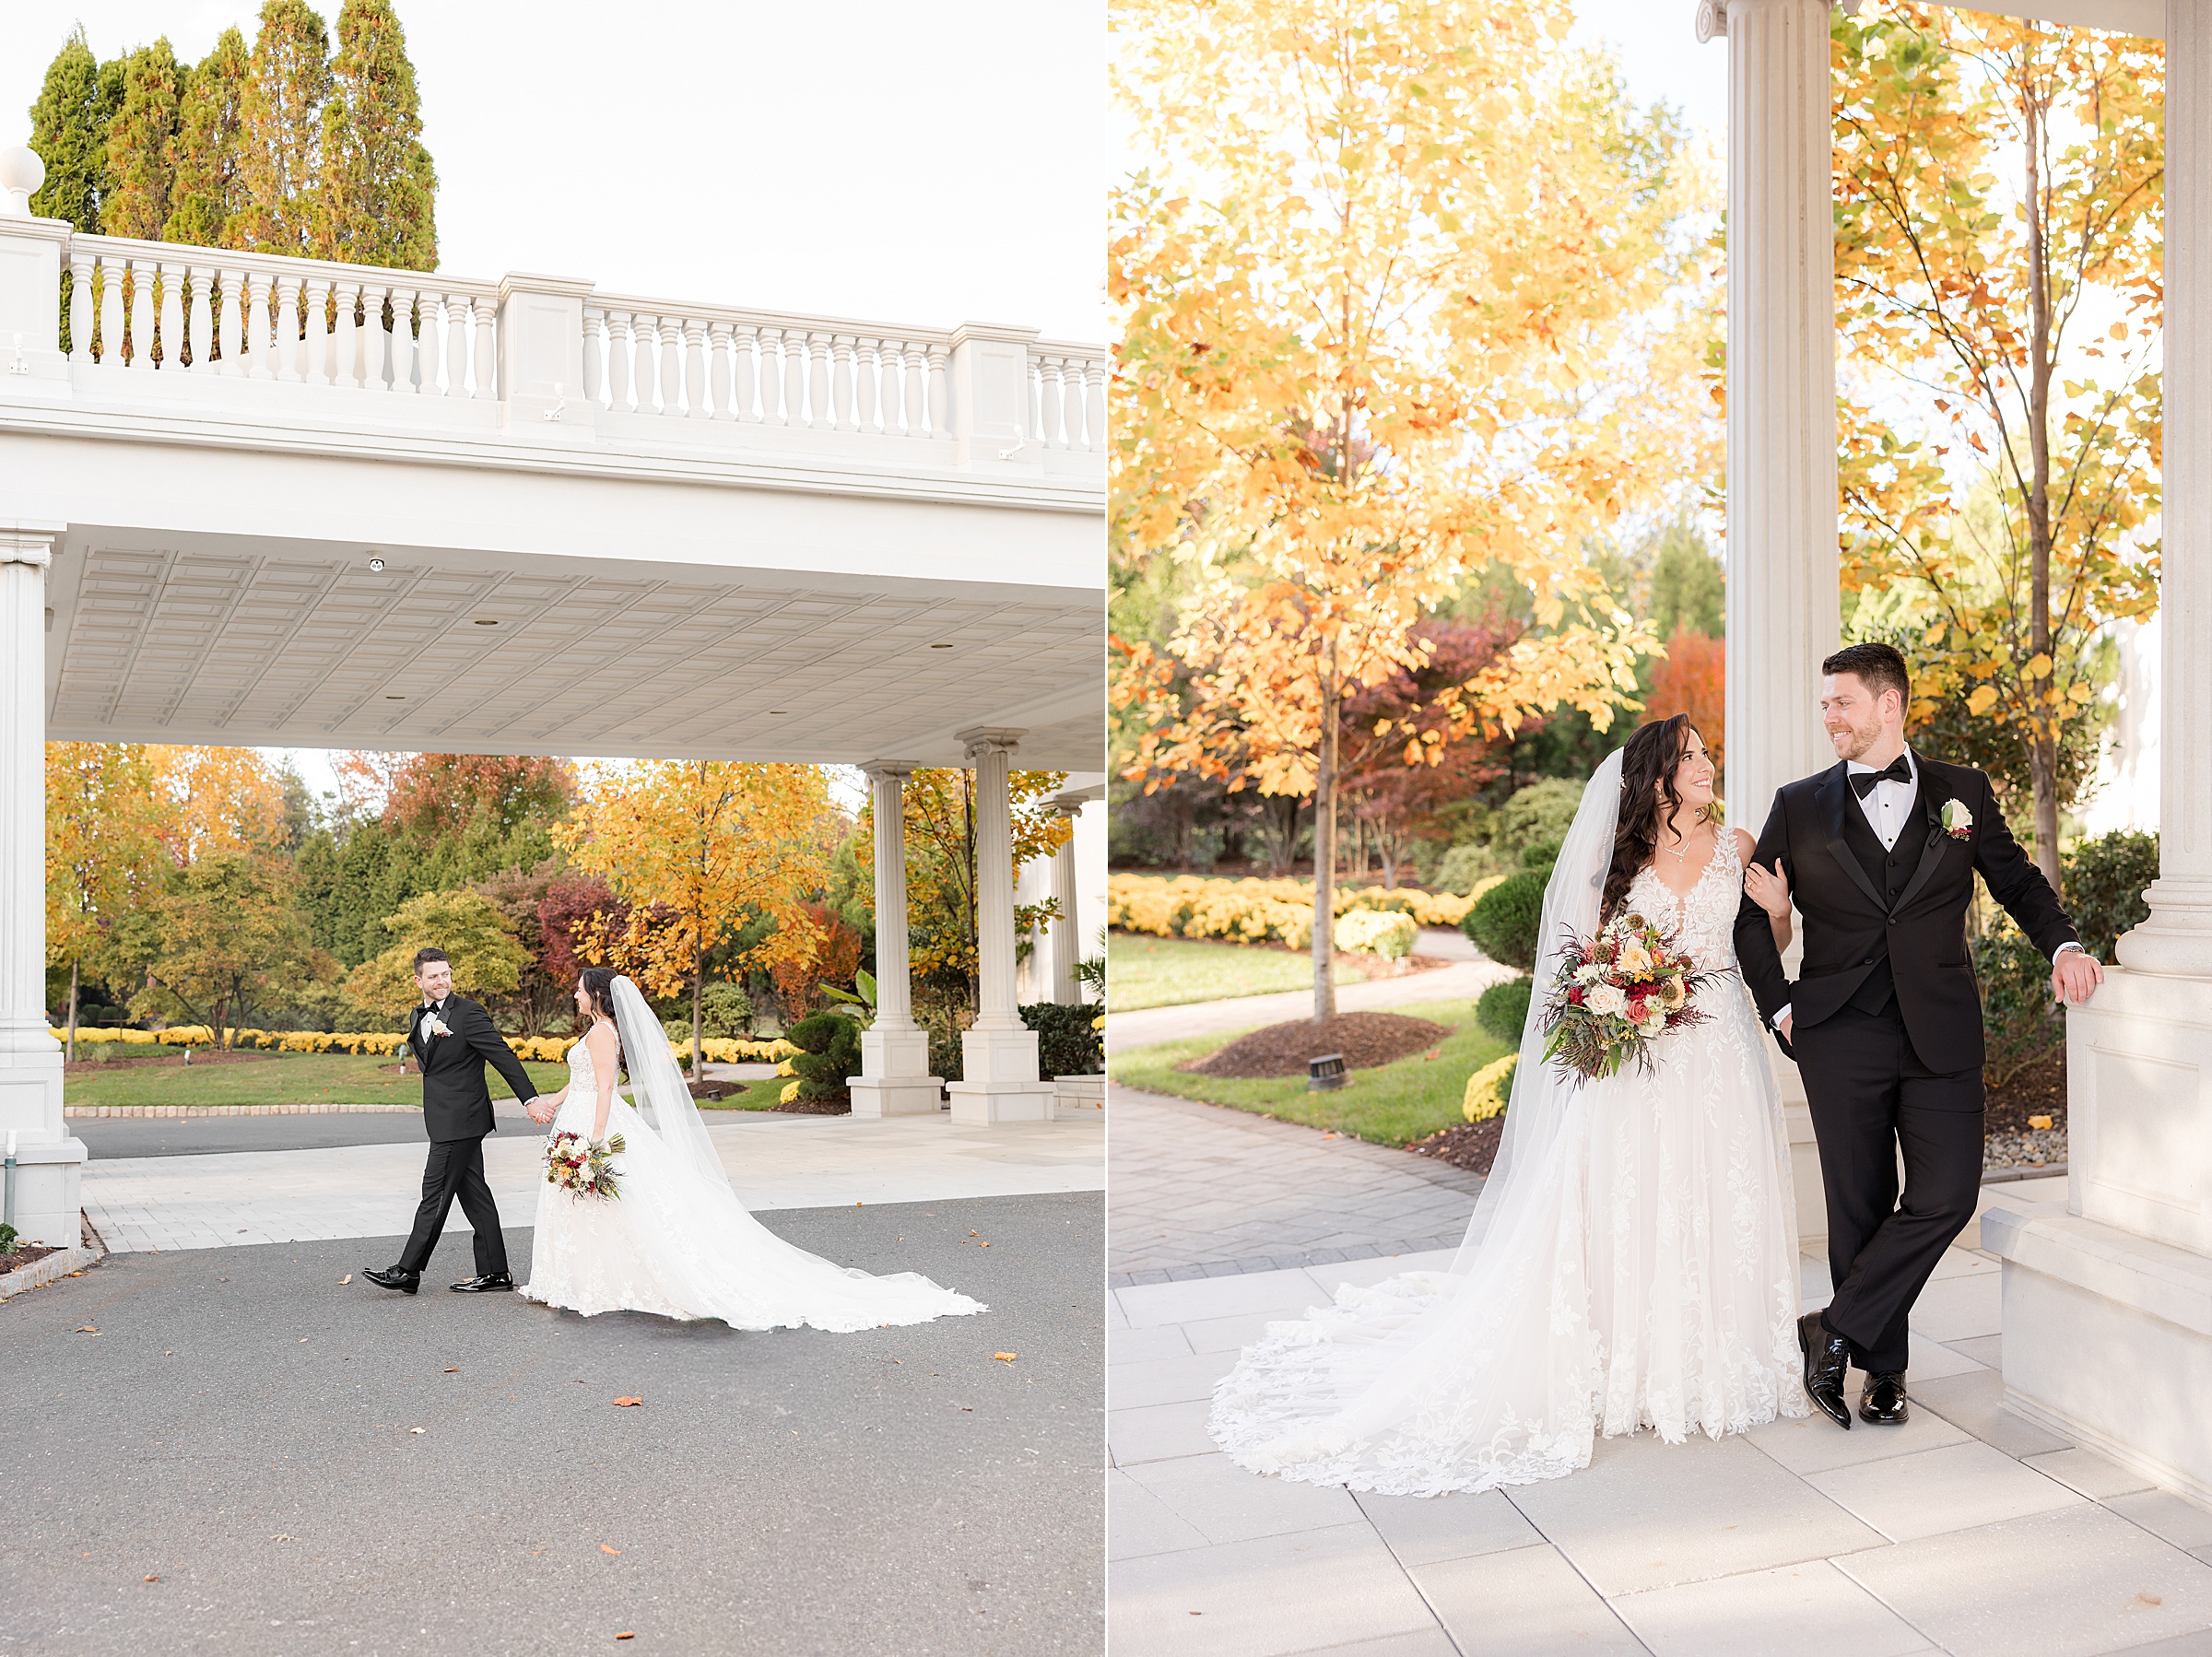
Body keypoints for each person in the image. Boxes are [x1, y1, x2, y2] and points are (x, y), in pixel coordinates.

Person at [1208, 717, 1806, 1497]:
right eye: (1690, 756)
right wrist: (1620, 999)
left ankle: (1714, 1362)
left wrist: (1782, 909)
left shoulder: (1737, 844)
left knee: (1713, 1194)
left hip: (1721, 1051)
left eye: (1703, 754)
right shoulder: (1616, 863)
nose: (1705, 764)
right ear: (1657, 777)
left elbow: (1768, 944)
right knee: (1631, 1200)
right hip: (1642, 1058)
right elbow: (1582, 970)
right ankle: (1628, 1366)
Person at [1734, 640, 2100, 1429]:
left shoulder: (1961, 792)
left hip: (1940, 1028)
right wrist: (1780, 1006)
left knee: (1946, 1194)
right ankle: (1883, 1373)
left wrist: (2064, 944)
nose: (1827, 714)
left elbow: (2018, 882)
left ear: (1889, 704)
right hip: (1839, 1034)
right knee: (1857, 1205)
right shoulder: (1798, 804)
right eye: (1825, 702)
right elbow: (1749, 917)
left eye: (1842, 702)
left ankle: (1833, 1329)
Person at [521, 968, 985, 1331]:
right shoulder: (594, 1032)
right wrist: (549, 1102)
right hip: (576, 1117)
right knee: (594, 1205)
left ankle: (603, 1282)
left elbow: (604, 1089)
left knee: (615, 1203)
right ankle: (579, 1278)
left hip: (596, 1125)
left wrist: (596, 1142)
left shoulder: (602, 1033)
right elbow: (578, 1083)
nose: (575, 995)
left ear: (597, 996)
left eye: (580, 990)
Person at [365, 947, 547, 1296]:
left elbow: (501, 1055)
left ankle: (407, 1270)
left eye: (446, 974)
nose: (442, 981)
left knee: (433, 1195)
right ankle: (495, 1273)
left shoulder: (468, 1013)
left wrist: (530, 1098)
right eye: (433, 976)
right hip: (444, 1118)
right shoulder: (417, 1015)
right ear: (418, 980)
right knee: (474, 1194)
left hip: (461, 1119)